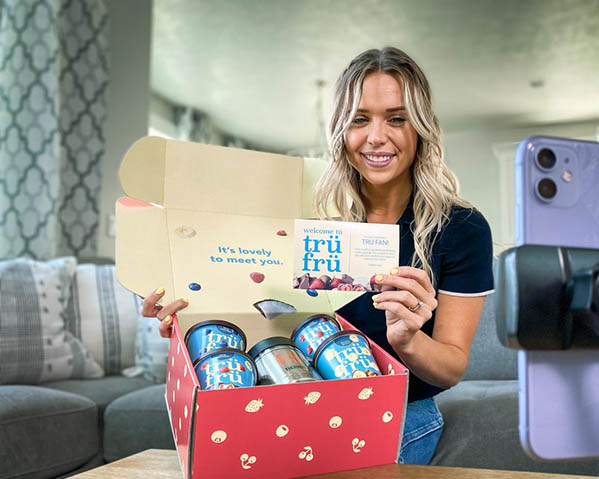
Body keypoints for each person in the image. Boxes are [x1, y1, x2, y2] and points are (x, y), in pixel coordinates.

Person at [141, 46, 493, 465]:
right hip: (280, 399)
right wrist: (190, 317)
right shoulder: (304, 213)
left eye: (396, 118)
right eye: (360, 119)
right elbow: (261, 309)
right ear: (340, 130)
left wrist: (409, 340)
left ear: (421, 128)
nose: (376, 137)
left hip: (396, 413)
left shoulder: (461, 228)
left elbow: (451, 368)